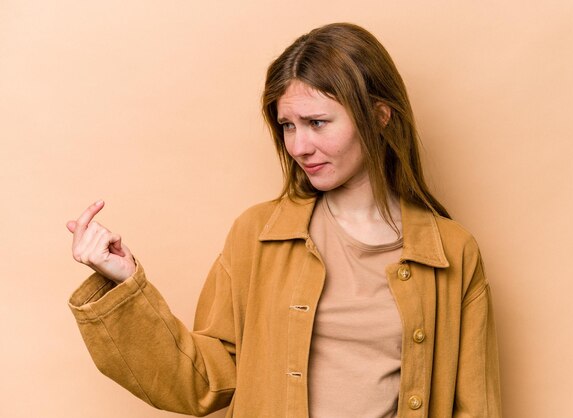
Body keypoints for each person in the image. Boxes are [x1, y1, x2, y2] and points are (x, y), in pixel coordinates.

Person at [67, 23, 501, 417]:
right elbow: (200, 383)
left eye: (317, 122)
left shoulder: (451, 252)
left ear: (379, 116)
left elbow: (475, 407)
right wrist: (124, 284)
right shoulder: (256, 236)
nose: (299, 146)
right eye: (288, 126)